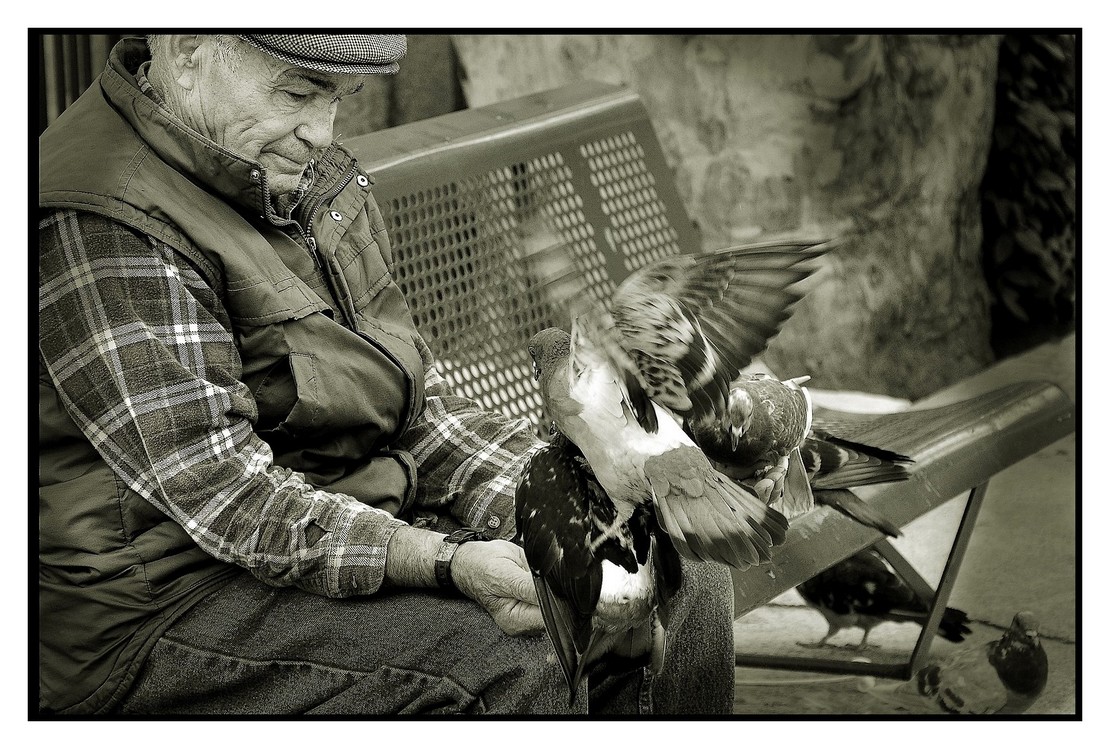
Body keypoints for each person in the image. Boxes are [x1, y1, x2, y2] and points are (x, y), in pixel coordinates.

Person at [37, 34, 736, 716]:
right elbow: (228, 497)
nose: (322, 131)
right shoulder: (103, 215)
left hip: (345, 529)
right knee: (532, 653)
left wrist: (558, 504)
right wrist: (446, 559)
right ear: (188, 49)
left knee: (679, 566)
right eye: (300, 92)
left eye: (340, 97)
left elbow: (414, 406)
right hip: (172, 610)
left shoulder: (292, 169)